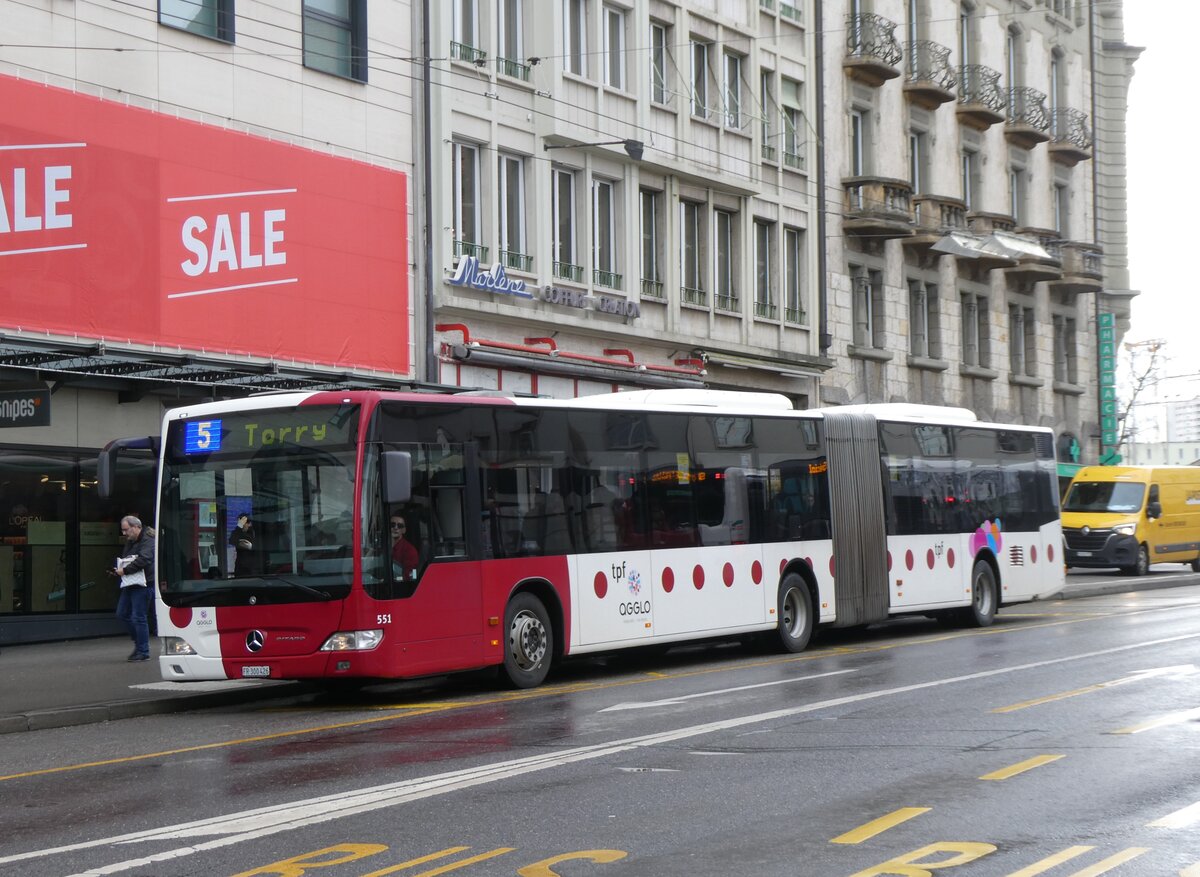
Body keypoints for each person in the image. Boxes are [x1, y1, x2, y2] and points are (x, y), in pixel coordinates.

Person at [111, 514, 155, 662]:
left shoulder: (148, 538)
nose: (124, 533)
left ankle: (143, 651)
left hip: (143, 583)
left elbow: (145, 559)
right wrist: (119, 569)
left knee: (138, 617)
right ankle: (139, 645)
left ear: (136, 527)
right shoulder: (132, 539)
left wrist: (125, 570)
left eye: (126, 530)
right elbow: (128, 559)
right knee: (122, 613)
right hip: (130, 582)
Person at [390, 514, 419, 581]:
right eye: (392, 524)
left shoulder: (410, 550)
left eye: (400, 526)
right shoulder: (382, 547)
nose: (396, 528)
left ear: (404, 530)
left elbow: (409, 577)